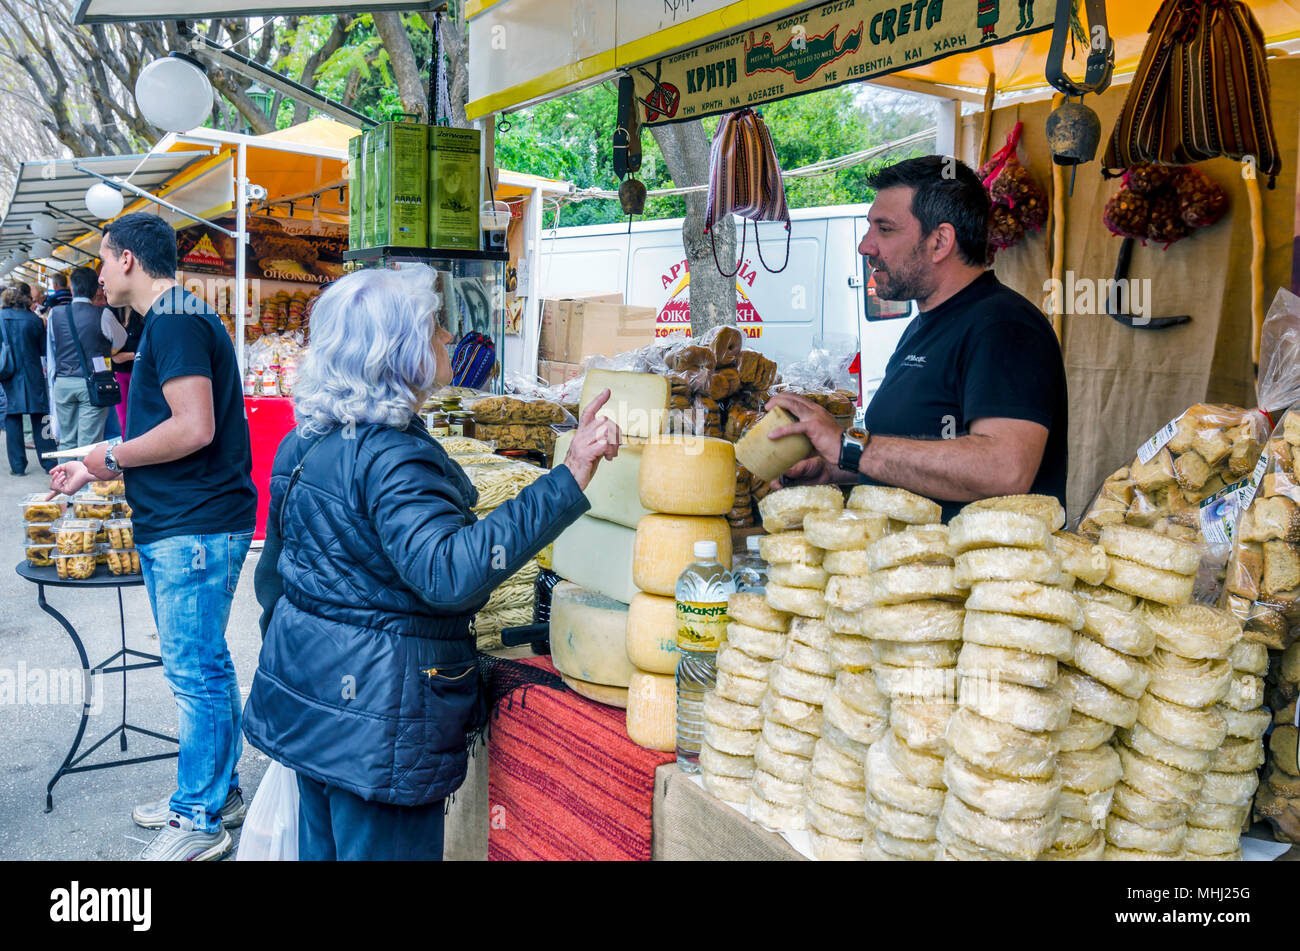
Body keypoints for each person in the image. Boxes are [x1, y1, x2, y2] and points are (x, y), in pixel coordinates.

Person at [241, 266, 619, 861]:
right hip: (379, 726)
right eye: (434, 326)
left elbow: (274, 582)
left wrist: (301, 678)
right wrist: (568, 477)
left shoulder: (304, 440)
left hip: (314, 708)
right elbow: (449, 574)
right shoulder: (394, 458)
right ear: (400, 350)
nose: (448, 338)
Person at [47, 212, 257, 861]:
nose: (100, 274)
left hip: (194, 525)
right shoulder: (172, 320)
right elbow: (171, 426)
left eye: (104, 260)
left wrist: (108, 453)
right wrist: (90, 466)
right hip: (190, 520)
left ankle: (197, 815)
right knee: (207, 665)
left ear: (129, 260)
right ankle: (214, 793)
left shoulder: (177, 321)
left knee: (194, 671)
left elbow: (193, 427)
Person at [769, 155, 1068, 522]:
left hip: (981, 576)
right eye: (869, 228)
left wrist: (849, 448)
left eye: (885, 229)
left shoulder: (1005, 326)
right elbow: (912, 453)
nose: (866, 246)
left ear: (940, 241)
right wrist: (837, 470)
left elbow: (1004, 469)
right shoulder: (922, 326)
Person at [46, 266, 125, 450]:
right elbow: (121, 339)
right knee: (88, 443)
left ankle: (65, 478)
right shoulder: (103, 314)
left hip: (63, 382)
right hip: (92, 383)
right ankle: (84, 479)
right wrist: (104, 348)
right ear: (96, 290)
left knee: (66, 440)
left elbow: (52, 349)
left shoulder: (54, 315)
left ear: (72, 289)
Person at [0, 284, 56, 474]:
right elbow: (43, 350)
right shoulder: (34, 320)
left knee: (12, 418)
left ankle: (17, 467)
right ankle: (49, 463)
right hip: (33, 374)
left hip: (9, 373)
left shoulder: (0, 318)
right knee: (40, 417)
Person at [109, 302, 146, 434]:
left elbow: (148, 347)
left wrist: (130, 355)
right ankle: (128, 450)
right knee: (123, 419)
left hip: (139, 371)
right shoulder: (110, 312)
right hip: (119, 373)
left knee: (142, 415)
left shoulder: (142, 311)